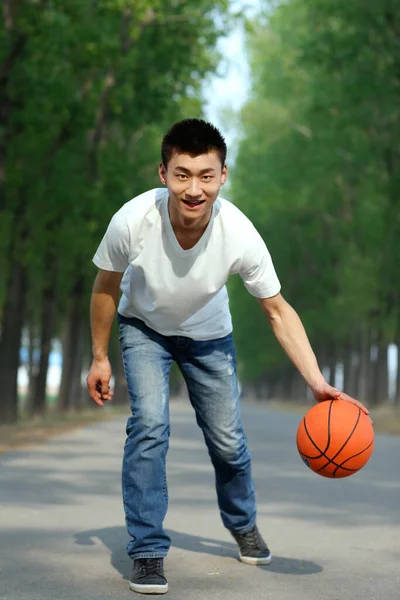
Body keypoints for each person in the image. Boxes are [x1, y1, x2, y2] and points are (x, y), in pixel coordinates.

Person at [86, 119, 369, 595]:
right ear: (163, 173)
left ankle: (243, 524)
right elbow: (105, 288)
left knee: (228, 442)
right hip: (144, 329)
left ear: (222, 176)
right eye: (182, 174)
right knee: (150, 426)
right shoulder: (131, 221)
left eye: (205, 175)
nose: (193, 188)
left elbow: (278, 311)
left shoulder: (239, 233)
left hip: (209, 336)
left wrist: (317, 381)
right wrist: (99, 357)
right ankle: (148, 552)